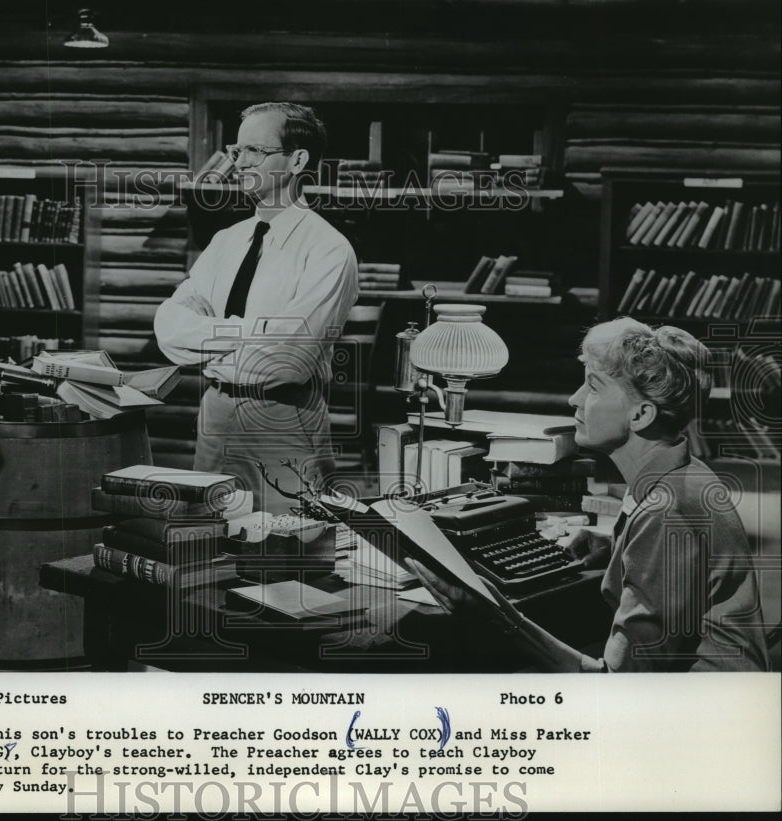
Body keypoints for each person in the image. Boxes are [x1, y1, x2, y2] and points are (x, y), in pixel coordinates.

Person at [408, 317, 769, 672]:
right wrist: (616, 548)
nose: (574, 399)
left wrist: (496, 615)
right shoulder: (687, 474)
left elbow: (616, 686)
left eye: (593, 387)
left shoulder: (666, 508)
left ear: (641, 414)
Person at [154, 102, 359, 513]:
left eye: (255, 152)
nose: (239, 163)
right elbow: (169, 328)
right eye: (237, 151)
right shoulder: (226, 241)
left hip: (281, 418)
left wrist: (211, 337)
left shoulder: (329, 250)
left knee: (288, 549)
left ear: (297, 159)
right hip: (214, 415)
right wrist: (247, 331)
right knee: (209, 541)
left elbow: (285, 360)